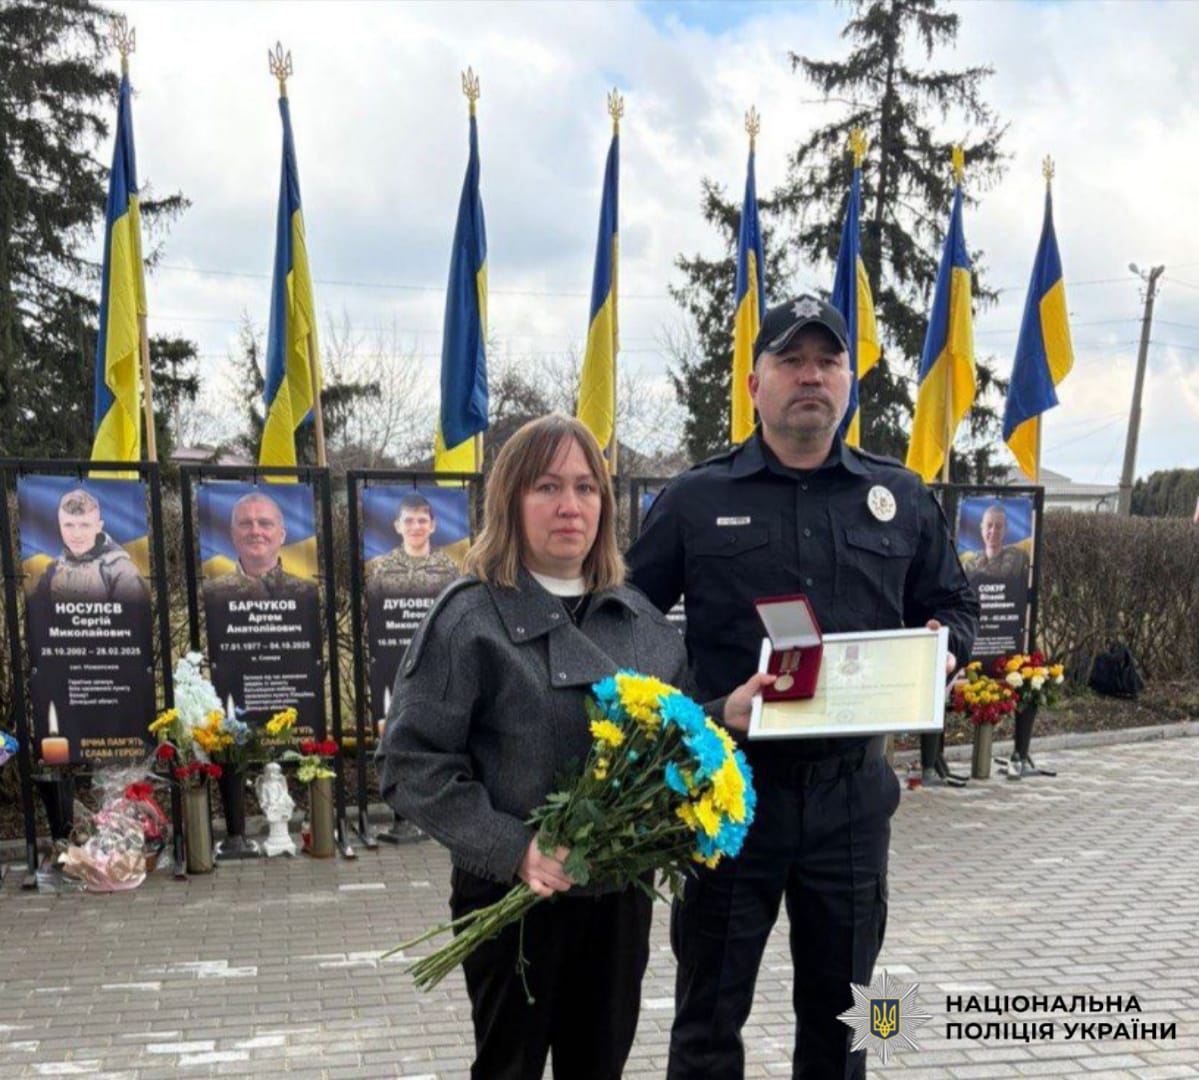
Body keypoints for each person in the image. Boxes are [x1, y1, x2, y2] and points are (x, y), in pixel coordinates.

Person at [628, 295, 979, 1080]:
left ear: (849, 383)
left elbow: (953, 605)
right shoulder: (694, 499)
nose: (809, 376)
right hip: (728, 795)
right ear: (754, 384)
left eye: (826, 361)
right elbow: (623, 620)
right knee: (708, 1018)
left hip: (851, 800)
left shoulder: (901, 497)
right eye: (790, 361)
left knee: (850, 1022)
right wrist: (696, 716)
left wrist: (943, 651)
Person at [377, 415, 768, 1080]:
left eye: (587, 488)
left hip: (616, 902)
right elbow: (413, 764)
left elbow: (654, 741)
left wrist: (717, 715)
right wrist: (513, 848)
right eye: (547, 487)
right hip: (511, 903)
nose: (569, 506)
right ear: (509, 502)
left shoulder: (642, 624)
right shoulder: (469, 619)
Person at [33, 488, 148, 605]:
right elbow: (39, 618)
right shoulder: (52, 570)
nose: (76, 534)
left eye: (85, 525)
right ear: (59, 526)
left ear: (99, 526)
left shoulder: (122, 571)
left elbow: (133, 620)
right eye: (68, 525)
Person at [206, 491, 317, 602]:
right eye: (246, 524)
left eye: (265, 524)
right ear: (233, 536)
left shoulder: (310, 595)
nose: (255, 531)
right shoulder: (210, 595)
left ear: (282, 536)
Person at [365, 492, 459, 604]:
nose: (416, 527)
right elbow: (373, 612)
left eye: (422, 521)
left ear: (432, 526)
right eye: (408, 521)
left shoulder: (448, 568)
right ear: (398, 526)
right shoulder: (382, 568)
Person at [964, 502, 1030, 585]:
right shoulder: (968, 567)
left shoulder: (1019, 560)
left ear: (1005, 529)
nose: (993, 531)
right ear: (982, 528)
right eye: (989, 525)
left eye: (998, 526)